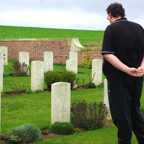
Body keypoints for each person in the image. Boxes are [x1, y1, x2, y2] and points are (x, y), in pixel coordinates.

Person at [101, 2, 144, 144]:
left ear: (110, 15)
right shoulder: (139, 28)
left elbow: (108, 55)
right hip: (137, 78)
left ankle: (124, 141)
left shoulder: (111, 29)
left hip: (118, 79)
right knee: (134, 112)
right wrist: (142, 67)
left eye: (108, 17)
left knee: (121, 115)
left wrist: (126, 69)